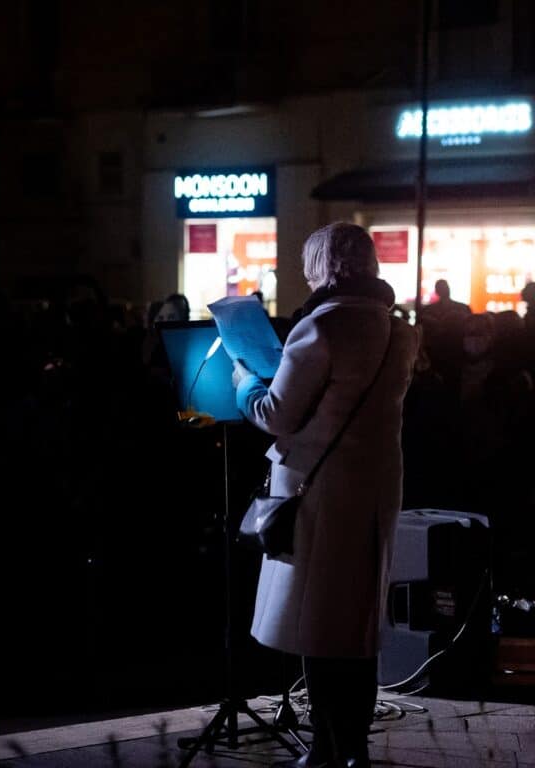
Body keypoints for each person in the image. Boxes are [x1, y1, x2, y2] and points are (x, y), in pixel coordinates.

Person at [233, 223, 418, 768]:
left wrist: (245, 382)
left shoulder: (320, 326)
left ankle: (325, 748)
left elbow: (276, 414)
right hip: (375, 489)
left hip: (319, 492)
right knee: (356, 625)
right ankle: (353, 748)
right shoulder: (400, 330)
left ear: (324, 266)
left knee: (316, 624)